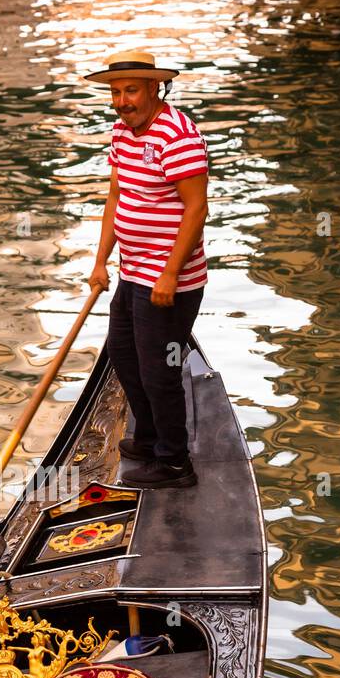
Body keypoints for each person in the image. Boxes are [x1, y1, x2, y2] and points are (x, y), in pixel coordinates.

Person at [87, 48, 209, 489]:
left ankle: (175, 463)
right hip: (132, 272)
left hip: (167, 280)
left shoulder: (178, 136)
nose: (122, 101)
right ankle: (153, 435)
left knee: (159, 370)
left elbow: (197, 210)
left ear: (155, 88)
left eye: (131, 90)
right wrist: (101, 261)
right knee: (124, 355)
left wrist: (171, 274)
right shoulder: (121, 133)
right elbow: (116, 197)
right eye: (116, 92)